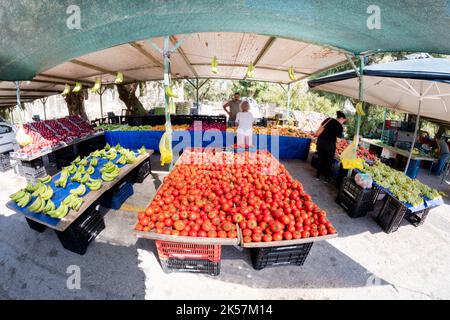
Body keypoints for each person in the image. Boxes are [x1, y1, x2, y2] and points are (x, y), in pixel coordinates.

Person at [315, 111, 347, 182]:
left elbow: (320, 128)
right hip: (330, 146)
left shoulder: (328, 119)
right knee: (328, 161)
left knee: (320, 159)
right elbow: (338, 140)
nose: (343, 122)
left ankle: (317, 176)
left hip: (321, 143)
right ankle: (326, 178)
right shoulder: (339, 126)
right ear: (341, 118)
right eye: (343, 120)